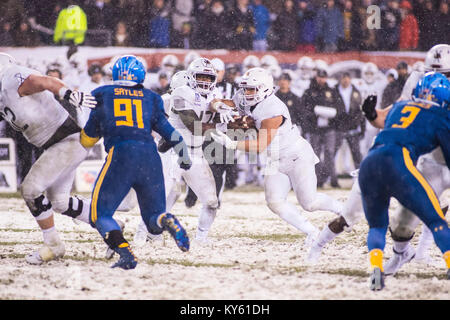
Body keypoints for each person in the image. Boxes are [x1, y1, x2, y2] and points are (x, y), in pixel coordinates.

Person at [307, 44, 450, 269]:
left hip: (422, 158)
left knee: (430, 210)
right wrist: (371, 114)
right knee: (350, 216)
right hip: (391, 158)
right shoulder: (417, 88)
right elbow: (387, 118)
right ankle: (317, 246)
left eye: (444, 75)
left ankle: (414, 254)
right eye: (434, 74)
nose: (438, 81)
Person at [210, 67, 344, 247]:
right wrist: (218, 106)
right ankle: (312, 232)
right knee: (274, 202)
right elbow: (220, 102)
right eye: (245, 88)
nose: (245, 92)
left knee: (309, 203)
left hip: (296, 155)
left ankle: (344, 210)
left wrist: (231, 143)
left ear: (264, 88)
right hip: (275, 158)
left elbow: (260, 145)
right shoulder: (244, 96)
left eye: (251, 89)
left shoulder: (273, 109)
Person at [80, 55, 191, 270]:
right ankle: (166, 219)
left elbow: (87, 139)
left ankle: (125, 253)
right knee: (153, 220)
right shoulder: (151, 97)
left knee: (99, 214)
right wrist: (184, 158)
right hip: (150, 156)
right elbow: (173, 135)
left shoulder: (102, 94)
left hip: (121, 154)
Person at [0, 52, 97, 265]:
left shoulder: (10, 78)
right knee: (59, 202)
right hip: (59, 145)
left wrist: (68, 92)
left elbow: (45, 81)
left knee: (30, 189)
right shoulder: (3, 92)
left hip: (65, 141)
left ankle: (53, 244)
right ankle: (110, 224)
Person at [359, 72, 450, 290]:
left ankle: (375, 272)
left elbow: (385, 122)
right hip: (398, 162)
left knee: (377, 225)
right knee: (435, 220)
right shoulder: (440, 115)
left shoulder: (400, 107)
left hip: (369, 163)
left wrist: (369, 113)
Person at [163, 57, 235, 243]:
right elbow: (194, 126)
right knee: (169, 195)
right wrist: (221, 132)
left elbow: (214, 107)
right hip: (173, 151)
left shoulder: (213, 95)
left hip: (195, 153)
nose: (204, 81)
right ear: (191, 76)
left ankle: (201, 237)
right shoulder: (182, 92)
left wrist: (229, 117)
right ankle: (145, 234)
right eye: (200, 76)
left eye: (208, 78)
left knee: (212, 202)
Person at [333, 72, 364, 170]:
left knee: (356, 154)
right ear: (340, 79)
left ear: (350, 79)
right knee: (332, 153)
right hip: (338, 127)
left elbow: (360, 111)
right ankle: (329, 178)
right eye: (343, 78)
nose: (345, 80)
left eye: (347, 78)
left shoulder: (356, 92)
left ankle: (359, 177)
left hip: (352, 127)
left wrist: (359, 124)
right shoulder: (334, 91)